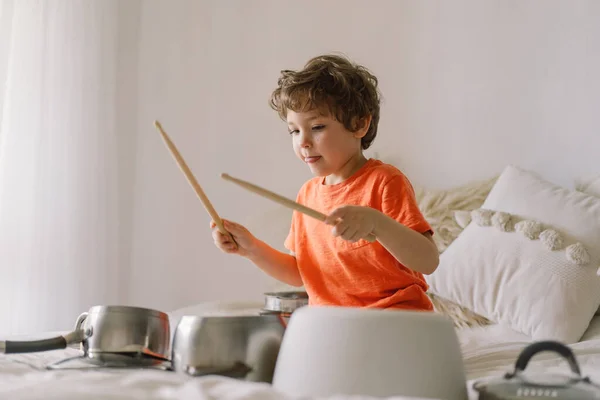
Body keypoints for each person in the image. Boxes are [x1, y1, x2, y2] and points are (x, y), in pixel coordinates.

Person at [211, 54, 439, 311]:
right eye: (294, 131)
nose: (303, 142)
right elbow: (301, 273)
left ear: (360, 124)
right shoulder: (307, 195)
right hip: (336, 325)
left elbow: (428, 261)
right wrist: (251, 248)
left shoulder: (384, 182)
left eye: (317, 127)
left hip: (394, 319)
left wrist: (377, 223)